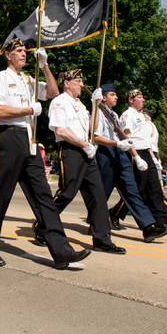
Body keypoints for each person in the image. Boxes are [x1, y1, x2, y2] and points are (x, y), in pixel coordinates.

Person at [0, 37, 91, 270]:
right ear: (8, 55)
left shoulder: (29, 79)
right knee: (2, 195)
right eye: (18, 51)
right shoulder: (2, 77)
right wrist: (29, 109)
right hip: (9, 138)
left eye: (24, 51)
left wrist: (44, 66)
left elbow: (52, 92)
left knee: (44, 197)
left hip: (29, 140)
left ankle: (61, 251)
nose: (23, 53)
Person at [34, 69, 125, 255]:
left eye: (82, 81)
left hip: (87, 152)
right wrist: (84, 145)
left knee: (98, 196)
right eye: (78, 81)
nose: (82, 85)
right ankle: (42, 225)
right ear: (67, 83)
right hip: (71, 151)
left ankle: (102, 239)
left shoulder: (80, 105)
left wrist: (95, 105)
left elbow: (91, 128)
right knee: (67, 193)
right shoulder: (60, 102)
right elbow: (60, 131)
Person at [93, 84, 167, 242]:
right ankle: (94, 222)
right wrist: (94, 106)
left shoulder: (113, 114)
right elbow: (95, 137)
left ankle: (148, 227)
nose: (116, 97)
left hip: (121, 153)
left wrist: (136, 155)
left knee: (131, 190)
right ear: (104, 97)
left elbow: (124, 137)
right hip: (106, 153)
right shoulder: (99, 113)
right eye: (112, 94)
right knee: (102, 193)